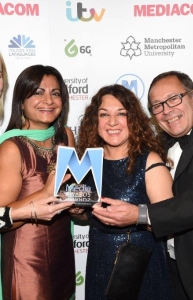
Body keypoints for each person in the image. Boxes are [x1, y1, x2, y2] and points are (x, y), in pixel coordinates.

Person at [92, 71, 193, 300]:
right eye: (157, 105)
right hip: (169, 266)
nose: (167, 110)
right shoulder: (158, 144)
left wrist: (141, 215)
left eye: (174, 99)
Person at [72, 84, 174, 299]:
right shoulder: (88, 163)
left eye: (121, 114)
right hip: (98, 259)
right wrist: (76, 211)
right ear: (94, 122)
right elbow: (88, 214)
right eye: (103, 114)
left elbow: (171, 222)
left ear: (133, 120)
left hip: (140, 264)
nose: (112, 122)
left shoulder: (150, 161)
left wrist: (135, 216)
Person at [0, 64, 76, 300]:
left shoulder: (66, 136)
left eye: (55, 93)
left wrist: (78, 203)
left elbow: (72, 197)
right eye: (38, 92)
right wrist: (44, 193)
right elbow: (1, 218)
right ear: (21, 101)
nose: (48, 100)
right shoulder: (11, 148)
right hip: (25, 261)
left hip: (62, 251)